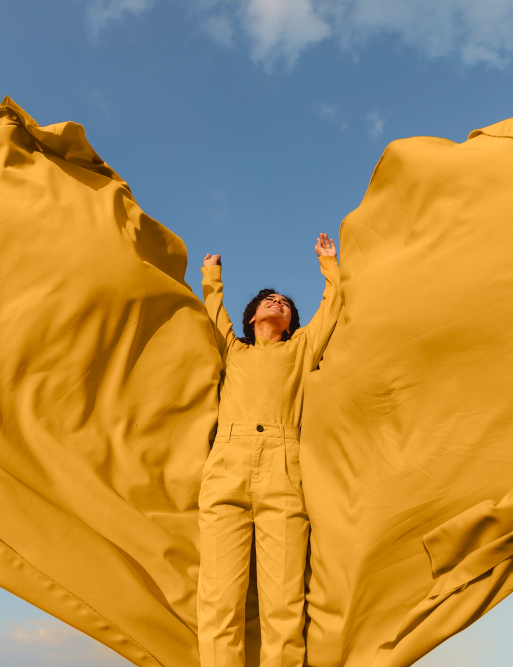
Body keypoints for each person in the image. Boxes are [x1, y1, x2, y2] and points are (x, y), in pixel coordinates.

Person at [197, 233, 341, 667]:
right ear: (252, 317)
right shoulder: (233, 350)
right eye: (269, 300)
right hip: (227, 465)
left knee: (283, 603)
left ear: (292, 320)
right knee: (220, 601)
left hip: (283, 466)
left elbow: (332, 308)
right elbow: (212, 316)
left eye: (285, 303)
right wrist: (212, 275)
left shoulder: (300, 349)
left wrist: (329, 265)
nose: (278, 303)